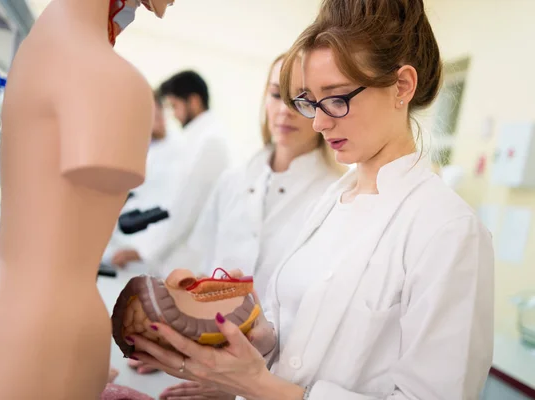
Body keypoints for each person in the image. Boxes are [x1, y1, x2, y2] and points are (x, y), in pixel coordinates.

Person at [124, 1, 495, 399]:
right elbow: (300, 349)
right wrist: (247, 343)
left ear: (402, 86)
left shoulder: (448, 230)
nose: (318, 122)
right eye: (309, 102)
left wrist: (258, 384)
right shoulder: (335, 201)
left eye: (336, 98)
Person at [130, 53, 346, 380]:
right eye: (276, 95)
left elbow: (317, 320)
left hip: (280, 379)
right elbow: (202, 267)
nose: (285, 109)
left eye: (304, 98)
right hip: (210, 362)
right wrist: (177, 341)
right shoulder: (234, 180)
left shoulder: (338, 198)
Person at [111, 70, 230, 270]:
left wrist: (144, 252)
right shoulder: (198, 138)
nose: (173, 115)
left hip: (188, 259)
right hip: (175, 253)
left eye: (174, 106)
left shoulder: (209, 142)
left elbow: (185, 209)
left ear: (193, 101)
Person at [102, 91, 183, 264]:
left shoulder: (179, 152)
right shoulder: (137, 146)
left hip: (145, 250)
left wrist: (140, 251)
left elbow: (172, 211)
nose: (157, 117)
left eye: (158, 111)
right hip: (118, 241)